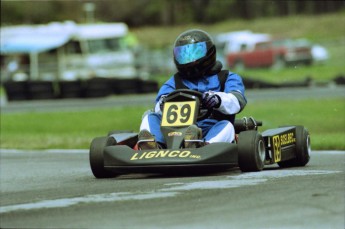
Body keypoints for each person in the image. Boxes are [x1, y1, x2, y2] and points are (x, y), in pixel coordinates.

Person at [138, 29, 247, 149]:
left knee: (227, 125)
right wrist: (164, 104)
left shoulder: (226, 78)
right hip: (175, 133)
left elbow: (237, 101)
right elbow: (158, 106)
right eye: (183, 55)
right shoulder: (174, 81)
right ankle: (154, 146)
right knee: (150, 116)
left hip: (211, 129)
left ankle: (203, 145)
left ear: (210, 52)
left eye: (195, 52)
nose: (189, 59)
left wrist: (218, 99)